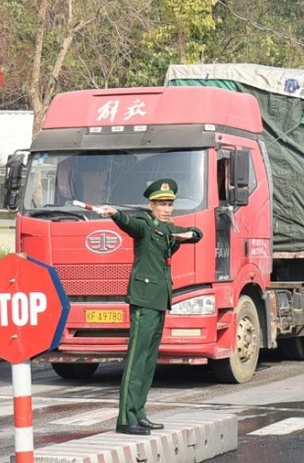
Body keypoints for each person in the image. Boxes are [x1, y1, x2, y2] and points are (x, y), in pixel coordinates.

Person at [100, 178, 203, 436]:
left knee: (148, 361)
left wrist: (188, 234)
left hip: (158, 301)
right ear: (151, 205)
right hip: (144, 301)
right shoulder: (146, 226)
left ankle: (140, 412)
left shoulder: (167, 229)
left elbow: (196, 233)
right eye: (162, 204)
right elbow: (129, 223)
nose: (167, 209)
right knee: (136, 360)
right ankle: (126, 418)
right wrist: (115, 214)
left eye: (170, 204)